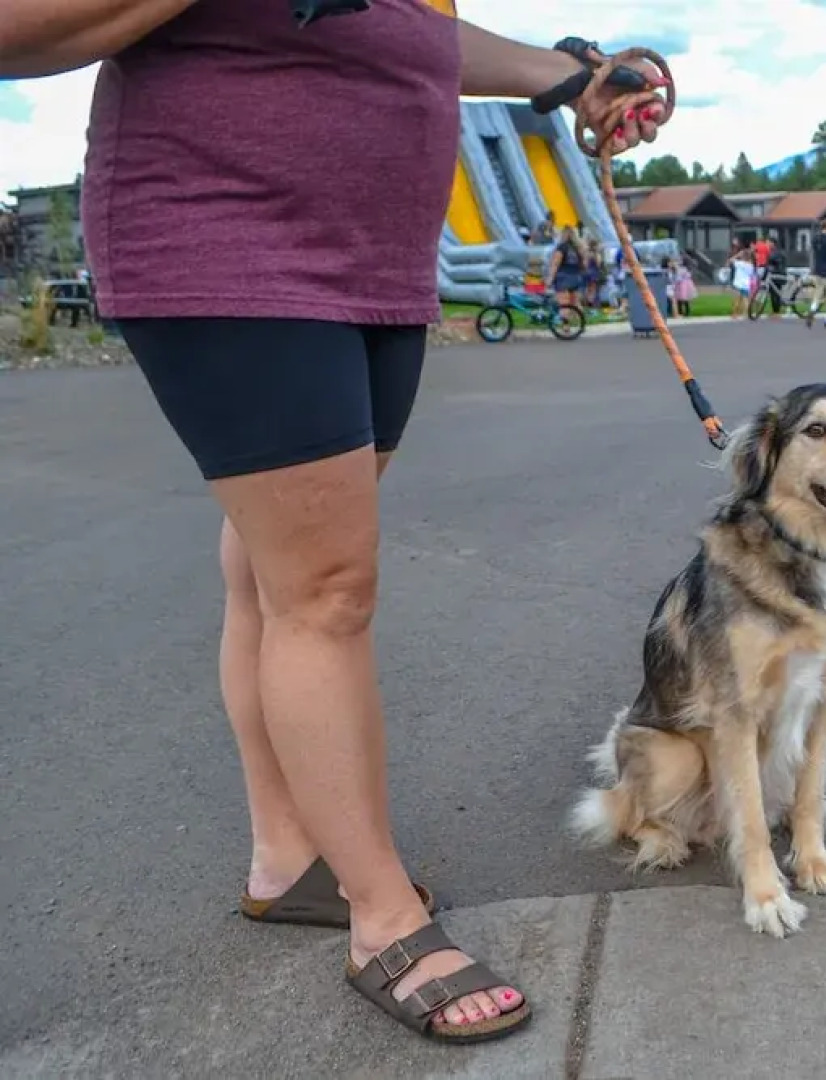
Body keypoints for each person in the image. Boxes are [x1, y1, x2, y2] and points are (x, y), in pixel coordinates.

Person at [0, 0, 669, 1047]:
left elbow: (401, 28)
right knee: (324, 591)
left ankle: (289, 860)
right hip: (227, 237)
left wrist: (567, 72)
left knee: (276, 571)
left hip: (375, 261)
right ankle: (381, 921)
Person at [548, 225, 587, 310]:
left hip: (563, 277)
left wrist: (550, 279)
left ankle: (565, 322)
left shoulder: (562, 247)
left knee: (564, 303)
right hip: (576, 277)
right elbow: (584, 265)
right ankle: (580, 321)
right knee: (576, 303)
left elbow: (555, 264)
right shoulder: (578, 248)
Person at [725, 238, 753, 319]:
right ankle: (747, 313)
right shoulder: (750, 266)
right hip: (746, 284)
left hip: (738, 283)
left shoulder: (739, 263)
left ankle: (734, 313)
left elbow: (730, 260)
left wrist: (738, 255)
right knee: (745, 299)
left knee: (736, 298)